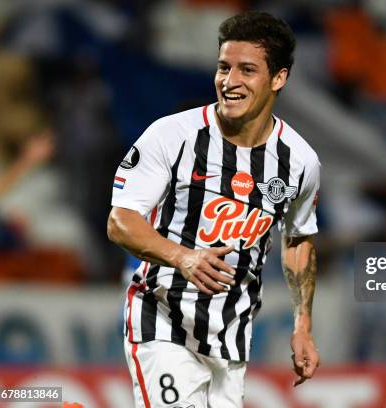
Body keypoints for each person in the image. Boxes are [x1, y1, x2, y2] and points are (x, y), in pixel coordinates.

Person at [107, 11, 320, 408]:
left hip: (231, 338)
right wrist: (182, 257)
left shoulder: (300, 161)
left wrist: (303, 325)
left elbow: (298, 240)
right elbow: (120, 222)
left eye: (247, 70)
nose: (230, 81)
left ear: (279, 78)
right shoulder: (171, 136)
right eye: (224, 67)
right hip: (162, 320)